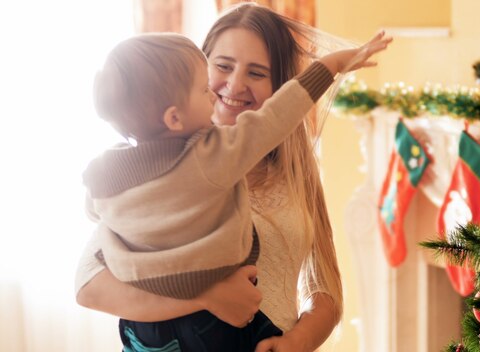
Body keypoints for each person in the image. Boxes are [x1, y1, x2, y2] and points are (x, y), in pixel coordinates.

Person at [76, 3, 391, 352]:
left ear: (281, 86)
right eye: (222, 66)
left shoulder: (295, 171)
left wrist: (297, 341)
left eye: (257, 73)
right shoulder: (150, 173)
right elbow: (89, 286)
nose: (234, 84)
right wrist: (208, 297)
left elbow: (325, 288)